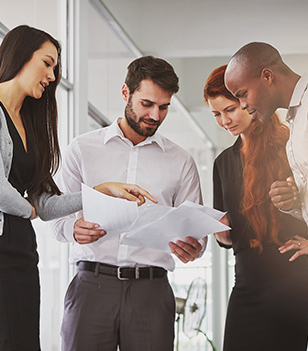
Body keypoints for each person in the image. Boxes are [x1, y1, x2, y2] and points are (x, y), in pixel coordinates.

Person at [0, 25, 156, 351]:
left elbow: (46, 205)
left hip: (21, 249)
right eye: (47, 63)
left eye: (55, 68)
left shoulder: (28, 122)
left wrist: (102, 191)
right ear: (19, 55)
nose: (52, 75)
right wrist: (30, 210)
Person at [51, 56, 207, 351]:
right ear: (126, 93)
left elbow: (195, 232)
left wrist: (195, 248)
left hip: (152, 291)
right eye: (147, 104)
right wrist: (74, 230)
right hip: (92, 286)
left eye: (164, 107)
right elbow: (55, 219)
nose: (155, 115)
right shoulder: (82, 149)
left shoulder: (181, 161)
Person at [224, 42, 308, 351]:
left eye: (242, 94)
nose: (243, 105)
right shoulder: (294, 123)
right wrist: (293, 203)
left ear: (266, 76)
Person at [205, 65, 308, 351]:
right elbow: (228, 235)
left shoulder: (291, 146)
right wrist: (215, 230)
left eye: (230, 109)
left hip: (290, 283)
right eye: (216, 114)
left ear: (247, 102)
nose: (224, 121)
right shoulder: (222, 163)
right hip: (245, 283)